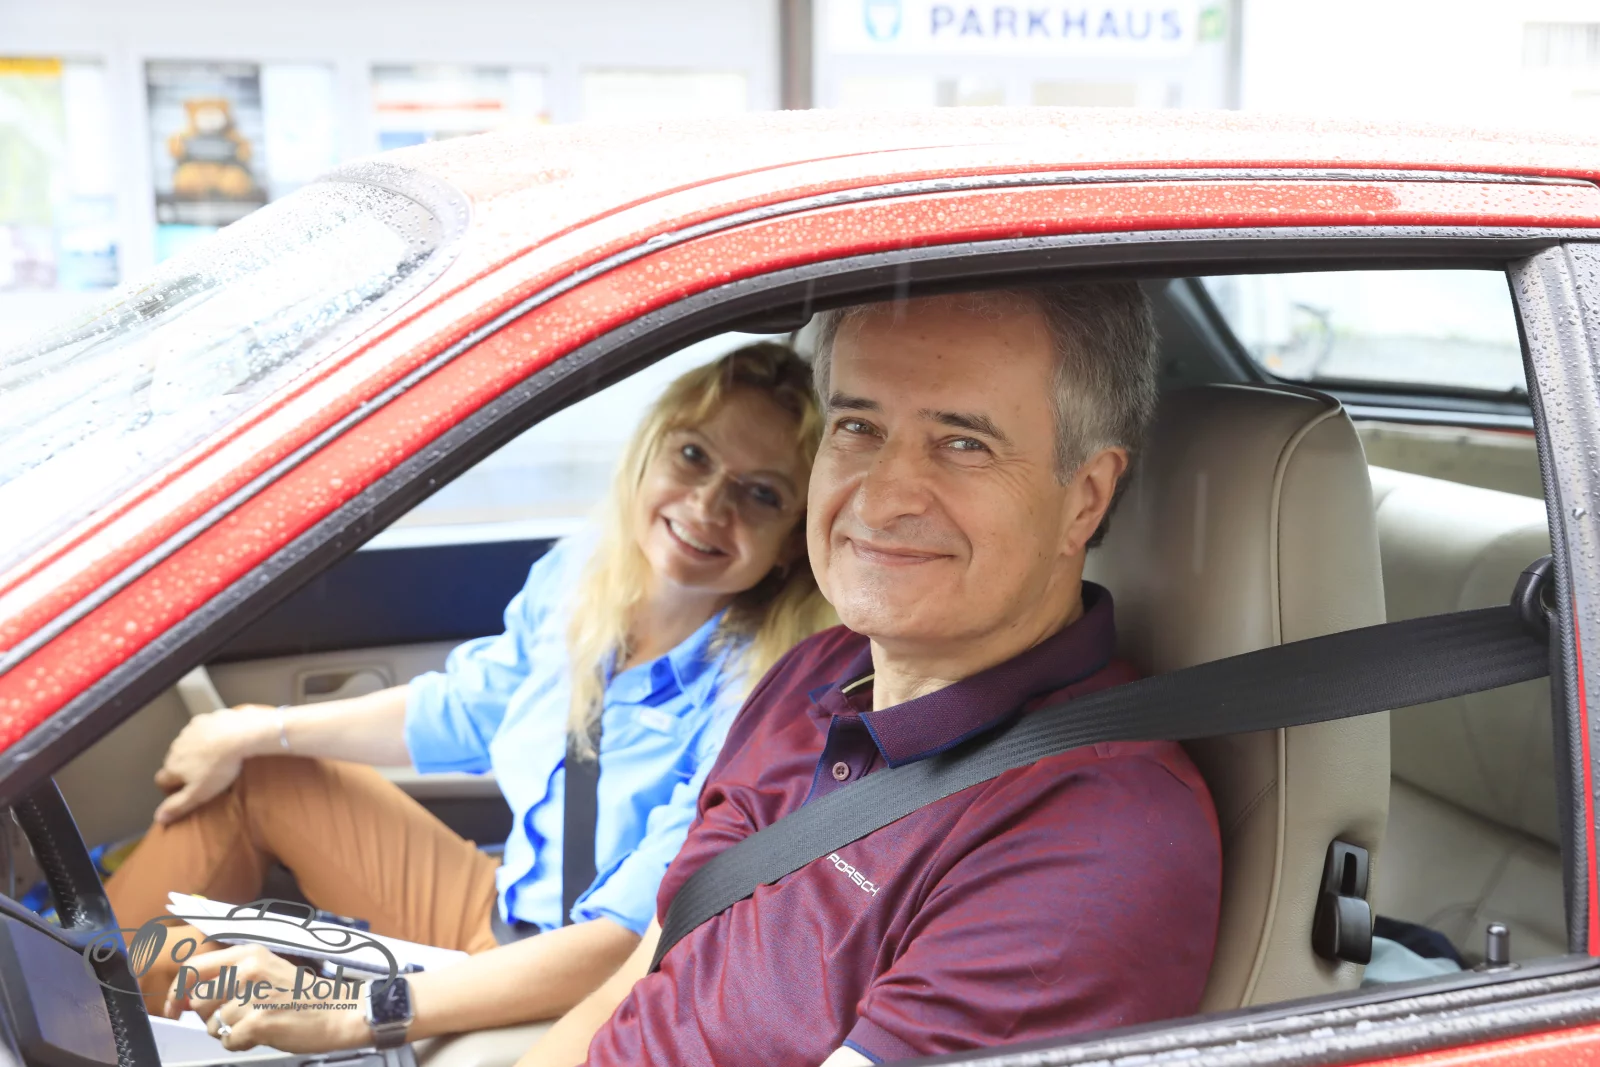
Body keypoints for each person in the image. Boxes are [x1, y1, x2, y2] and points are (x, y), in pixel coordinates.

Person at [521, 284, 1223, 1067]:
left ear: (1085, 499)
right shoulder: (818, 669)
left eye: (964, 443)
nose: (882, 499)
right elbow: (637, 983)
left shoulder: (1094, 841)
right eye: (858, 426)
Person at [104, 342, 835, 1053]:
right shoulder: (582, 574)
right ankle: (95, 1005)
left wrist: (356, 1007)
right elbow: (465, 709)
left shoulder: (762, 699)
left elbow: (626, 941)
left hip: (581, 980)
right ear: (650, 451)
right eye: (694, 455)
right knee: (255, 772)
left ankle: (143, 1011)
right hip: (499, 905)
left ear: (790, 542)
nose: (707, 503)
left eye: (760, 493)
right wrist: (255, 728)